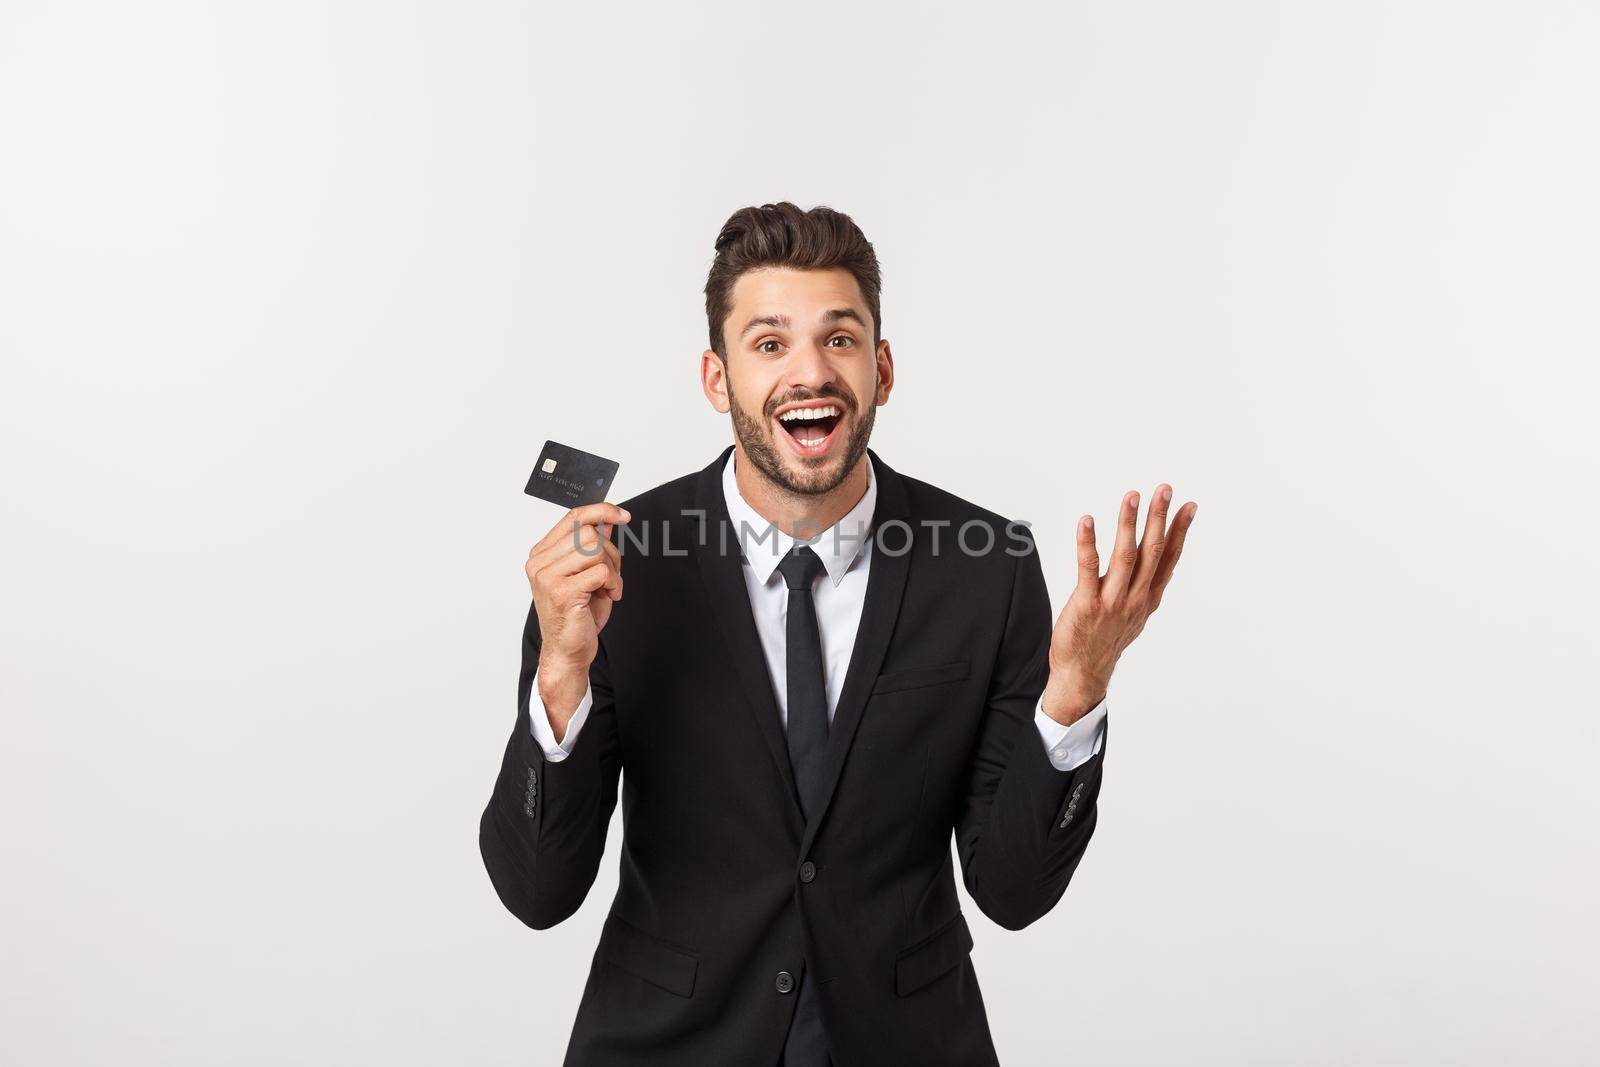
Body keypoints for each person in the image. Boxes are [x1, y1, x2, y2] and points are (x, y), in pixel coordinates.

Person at [479, 202, 1198, 1066]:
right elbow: (536, 891)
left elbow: (1012, 891)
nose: (810, 373)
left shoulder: (986, 566)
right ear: (718, 380)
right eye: (770, 343)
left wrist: (1078, 684)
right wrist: (562, 671)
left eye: (841, 338)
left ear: (883, 367)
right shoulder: (611, 571)